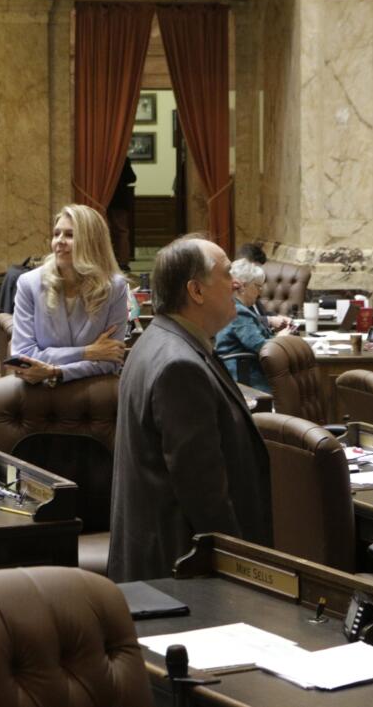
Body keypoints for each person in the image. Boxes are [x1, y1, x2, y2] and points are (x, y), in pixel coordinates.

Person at [107, 235, 272, 582]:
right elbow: (204, 492)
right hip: (182, 573)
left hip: (160, 563)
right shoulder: (179, 366)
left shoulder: (156, 341)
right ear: (196, 291)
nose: (237, 282)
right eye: (227, 274)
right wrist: (244, 570)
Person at [10, 204, 129, 385]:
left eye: (70, 235)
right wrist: (87, 353)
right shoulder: (29, 283)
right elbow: (23, 356)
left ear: (92, 242)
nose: (59, 241)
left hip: (93, 391)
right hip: (38, 393)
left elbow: (111, 360)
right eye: (56, 234)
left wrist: (56, 371)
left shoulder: (115, 287)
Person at [214, 258, 289, 392]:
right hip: (246, 377)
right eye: (257, 286)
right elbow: (259, 346)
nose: (260, 292)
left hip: (247, 370)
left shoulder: (236, 307)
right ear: (244, 285)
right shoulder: (238, 311)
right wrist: (281, 338)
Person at [234, 241, 291, 331]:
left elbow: (260, 313)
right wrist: (269, 320)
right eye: (253, 268)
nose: (257, 272)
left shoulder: (254, 287)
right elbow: (240, 319)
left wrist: (279, 317)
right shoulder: (231, 293)